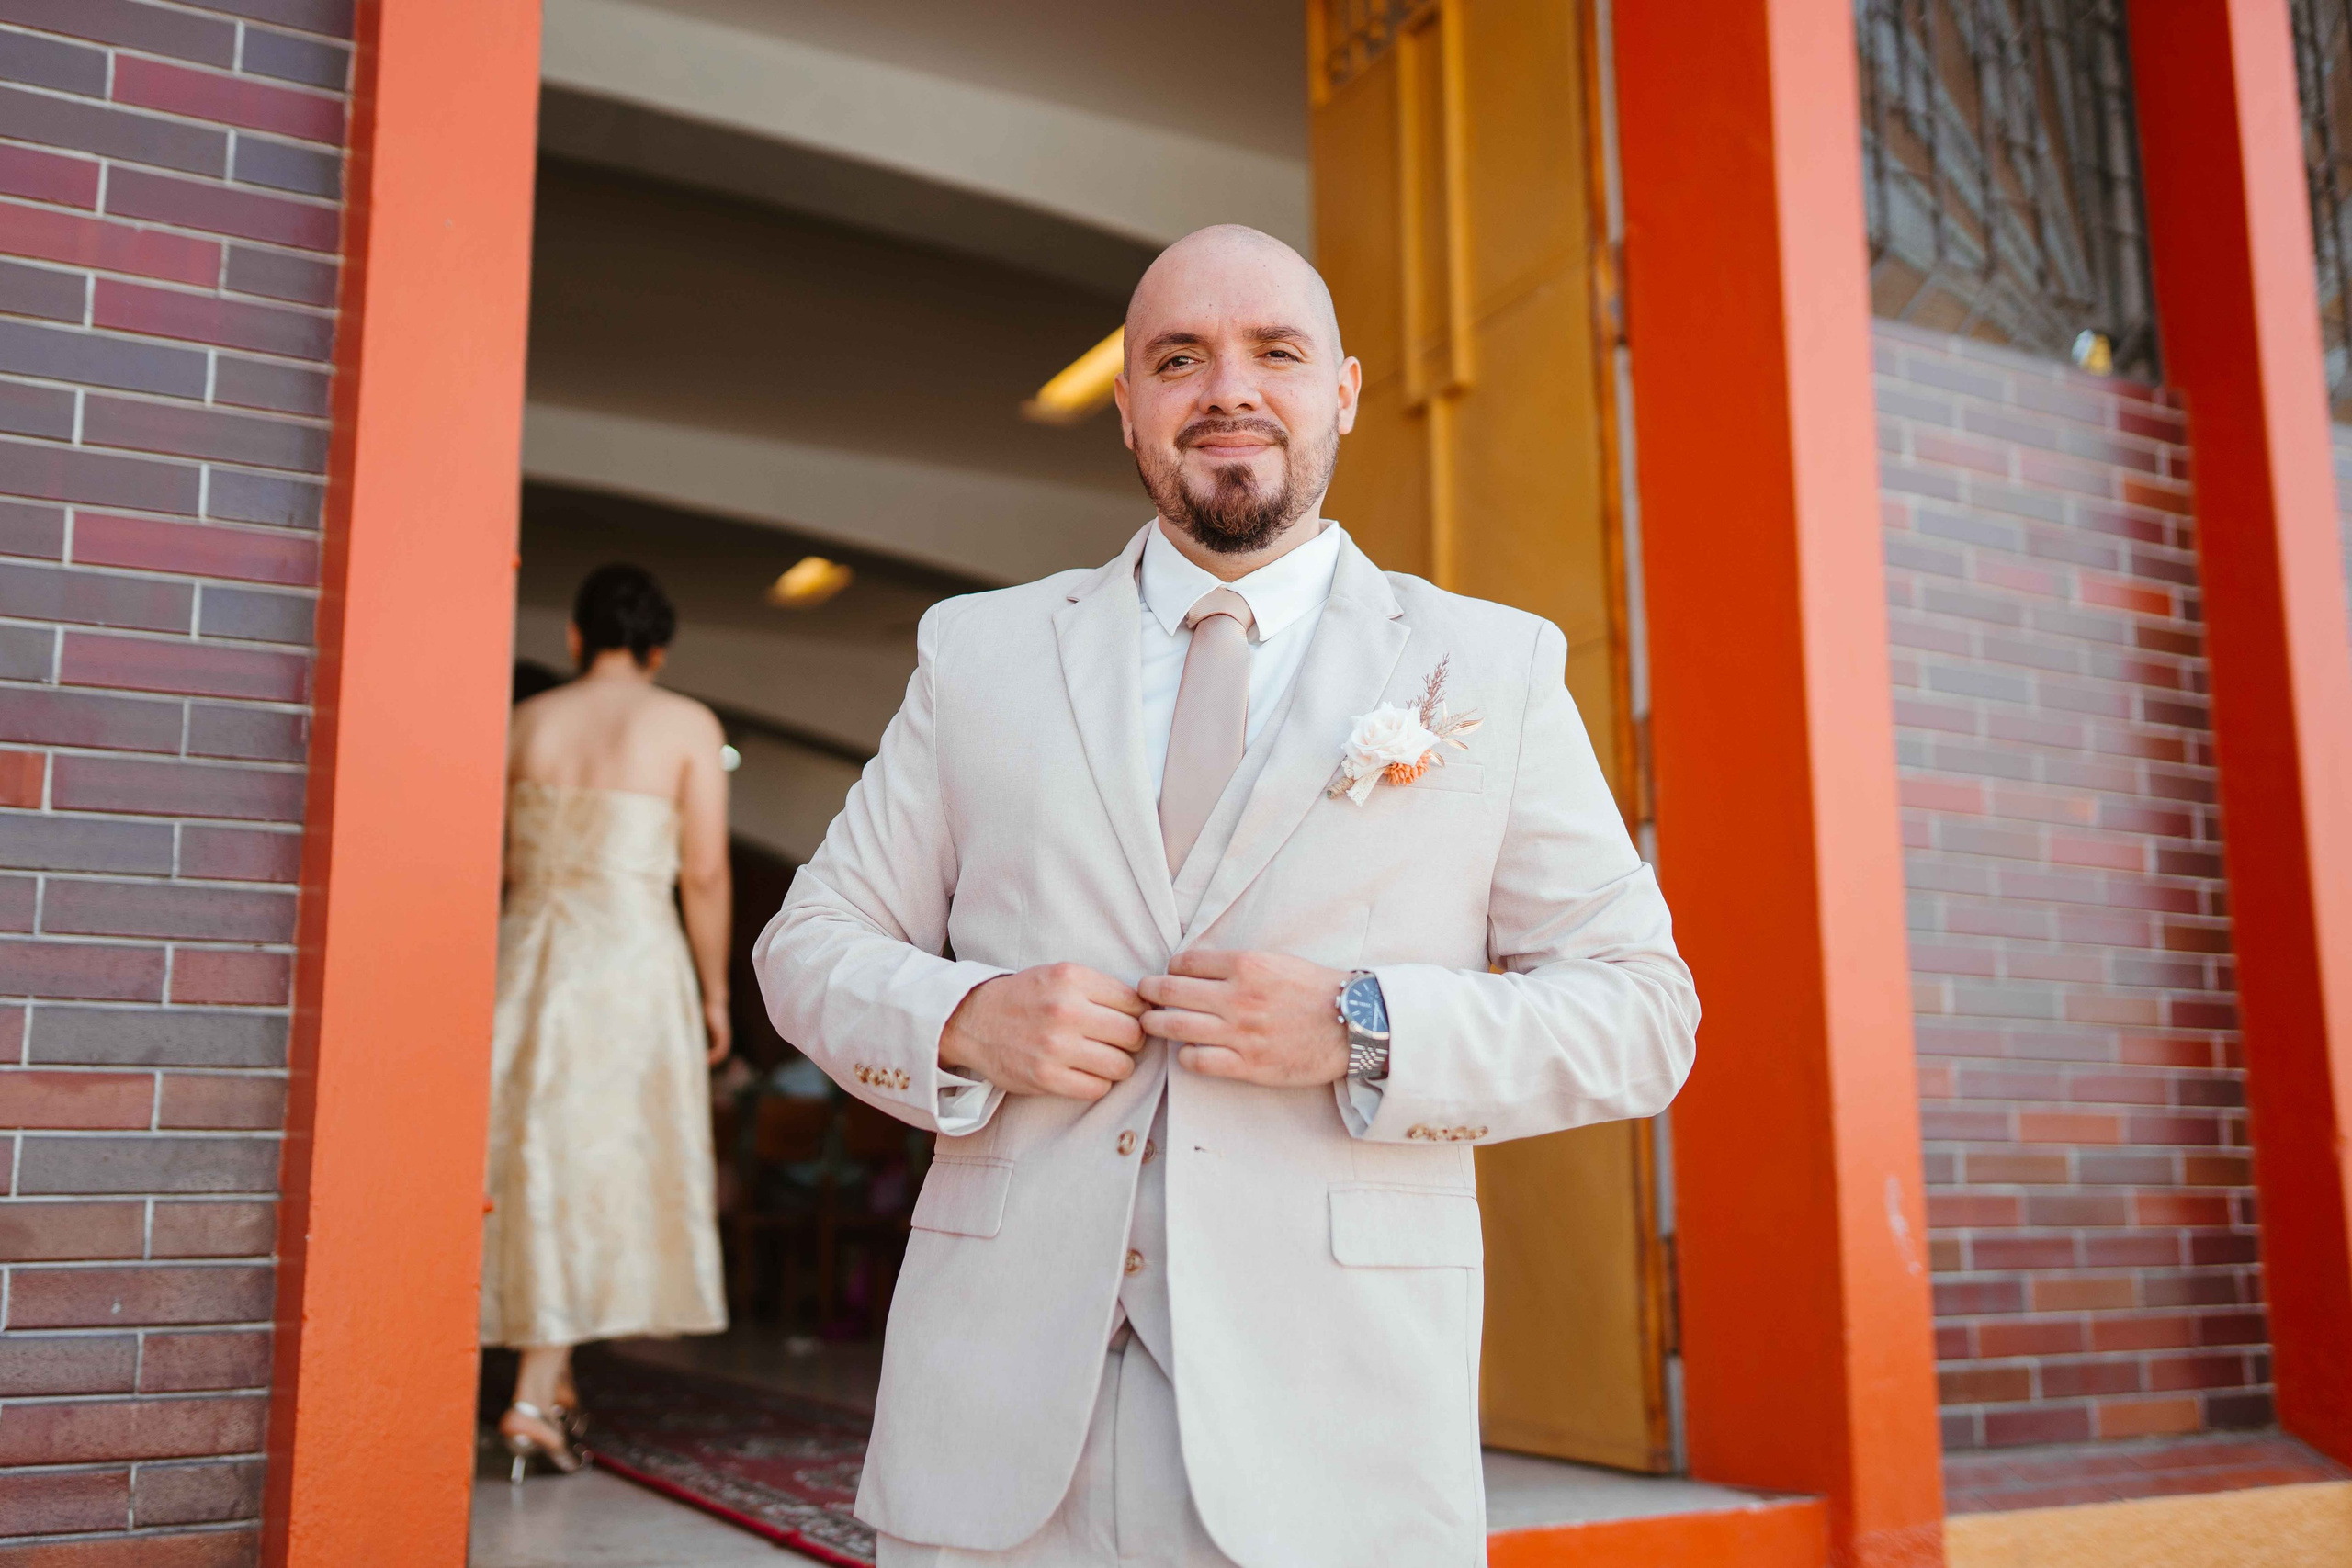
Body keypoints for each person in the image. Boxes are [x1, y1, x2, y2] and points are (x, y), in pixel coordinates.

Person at [753, 226, 1699, 1567]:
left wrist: (1366, 1026)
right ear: (1129, 405)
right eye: (1178, 358)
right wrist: (965, 1018)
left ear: (1346, 391)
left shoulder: (1493, 666)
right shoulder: (979, 654)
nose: (1227, 389)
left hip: (1336, 1439)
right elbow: (811, 942)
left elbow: (1644, 1014)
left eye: (1276, 351)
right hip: (999, 1429)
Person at [481, 564, 733, 1480]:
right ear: (659, 648)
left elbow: (495, 857)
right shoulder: (685, 726)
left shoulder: (527, 722)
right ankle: (532, 1396)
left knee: (526, 1155)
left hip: (530, 948)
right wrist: (713, 993)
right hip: (627, 960)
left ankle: (551, 1381)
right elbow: (702, 871)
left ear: (576, 638)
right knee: (595, 1158)